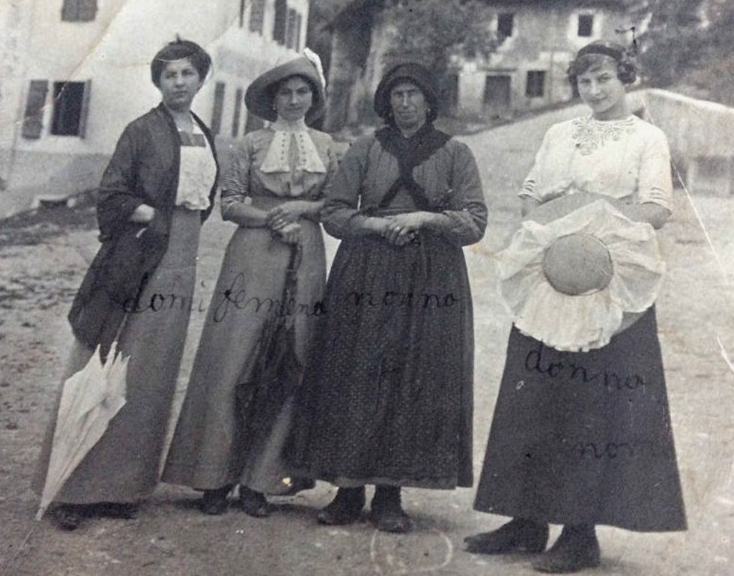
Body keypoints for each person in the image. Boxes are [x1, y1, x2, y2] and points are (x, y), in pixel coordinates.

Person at [463, 41, 686, 573]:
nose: (595, 90)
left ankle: (579, 532)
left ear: (625, 77)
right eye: (585, 81)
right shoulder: (558, 133)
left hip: (610, 283)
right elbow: (530, 196)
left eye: (605, 78)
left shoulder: (646, 137)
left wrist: (591, 213)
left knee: (591, 407)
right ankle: (525, 520)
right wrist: (556, 224)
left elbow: (657, 208)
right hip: (550, 277)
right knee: (534, 394)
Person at [285, 62, 488, 533]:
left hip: (431, 277)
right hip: (366, 273)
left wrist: (426, 220)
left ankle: (389, 494)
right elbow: (335, 211)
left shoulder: (456, 153)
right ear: (386, 101)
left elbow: (475, 221)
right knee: (355, 372)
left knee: (411, 377)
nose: (405, 103)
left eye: (414, 94)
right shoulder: (365, 148)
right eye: (396, 95)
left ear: (429, 101)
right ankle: (347, 491)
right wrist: (376, 225)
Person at [32, 38, 219, 530]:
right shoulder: (141, 132)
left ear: (202, 79)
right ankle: (71, 489)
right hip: (138, 257)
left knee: (151, 375)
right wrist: (156, 217)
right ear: (158, 81)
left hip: (182, 261)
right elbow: (111, 194)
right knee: (104, 361)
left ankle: (121, 486)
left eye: (187, 74)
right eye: (169, 74)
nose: (178, 82)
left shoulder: (204, 133)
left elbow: (204, 200)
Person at [161, 52, 338, 518]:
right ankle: (213, 477)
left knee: (290, 358)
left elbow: (338, 206)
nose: (294, 100)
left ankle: (261, 480)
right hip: (253, 254)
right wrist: (270, 219)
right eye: (286, 93)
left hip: (307, 253)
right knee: (234, 355)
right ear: (272, 100)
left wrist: (302, 211)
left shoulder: (330, 146)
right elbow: (231, 203)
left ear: (313, 98)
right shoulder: (247, 145)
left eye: (303, 92)